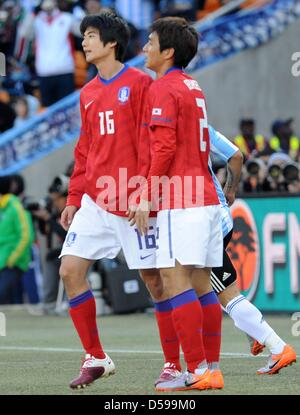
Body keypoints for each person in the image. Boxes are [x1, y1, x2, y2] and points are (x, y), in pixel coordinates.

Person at [58, 11, 158, 389]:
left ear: (112, 42)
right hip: (95, 202)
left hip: (133, 200)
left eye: (92, 35)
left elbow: (152, 144)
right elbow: (84, 149)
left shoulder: (140, 83)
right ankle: (96, 357)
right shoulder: (87, 92)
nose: (84, 42)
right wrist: (74, 195)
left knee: (155, 281)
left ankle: (176, 364)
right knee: (70, 270)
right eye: (83, 35)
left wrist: (146, 192)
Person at [132, 17, 224, 392]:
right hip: (204, 196)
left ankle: (199, 368)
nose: (144, 49)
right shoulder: (193, 85)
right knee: (202, 284)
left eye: (150, 42)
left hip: (181, 198)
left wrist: (146, 195)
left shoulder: (164, 87)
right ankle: (211, 367)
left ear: (167, 51)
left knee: (174, 280)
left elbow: (165, 147)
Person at [0, 175, 33, 304]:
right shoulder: (4, 208)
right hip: (3, 262)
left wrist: (13, 258)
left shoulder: (15, 206)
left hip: (13, 263)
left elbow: (26, 235)